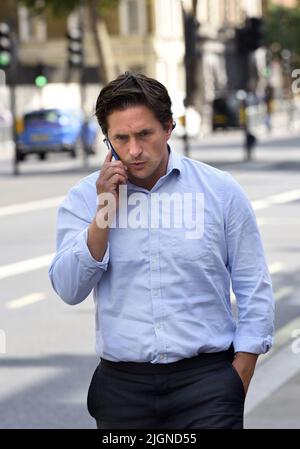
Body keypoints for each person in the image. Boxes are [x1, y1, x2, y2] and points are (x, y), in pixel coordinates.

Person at [49, 72, 274, 429]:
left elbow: (254, 288)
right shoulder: (84, 197)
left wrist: (237, 378)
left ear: (168, 127)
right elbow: (68, 289)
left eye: (144, 134)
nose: (134, 150)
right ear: (107, 140)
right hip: (123, 389)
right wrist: (104, 211)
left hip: (208, 384)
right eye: (121, 138)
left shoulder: (220, 191)